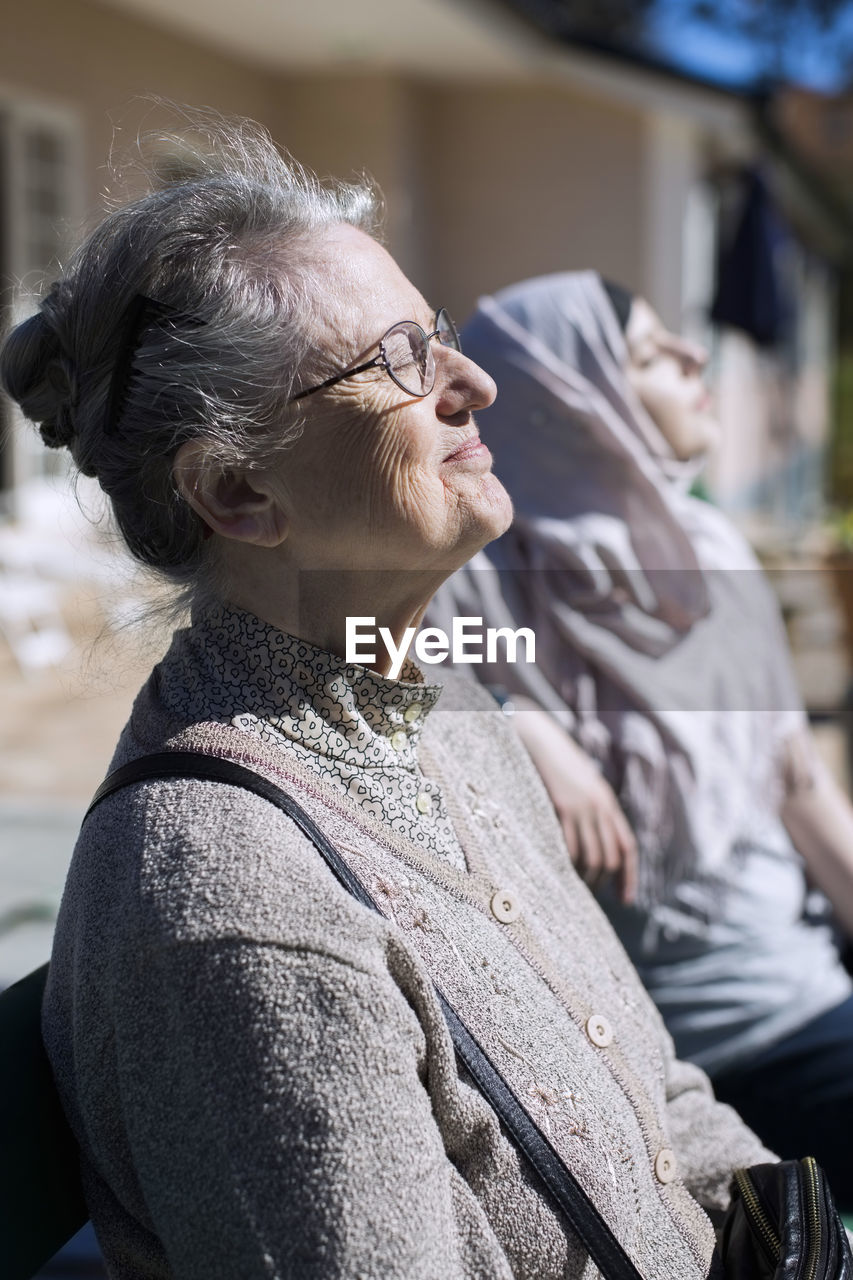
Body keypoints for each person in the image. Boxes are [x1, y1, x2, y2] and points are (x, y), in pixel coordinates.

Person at [0, 115, 775, 1279]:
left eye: (443, 335)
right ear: (238, 488)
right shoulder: (232, 893)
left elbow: (656, 1090)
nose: (477, 382)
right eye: (399, 359)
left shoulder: (439, 704)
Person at [429, 268, 853, 1206]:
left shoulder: (711, 552)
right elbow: (367, 655)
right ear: (569, 401)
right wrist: (519, 724)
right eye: (651, 355)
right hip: (632, 1065)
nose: (695, 357)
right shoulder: (476, 580)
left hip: (796, 994)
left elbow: (795, 785)